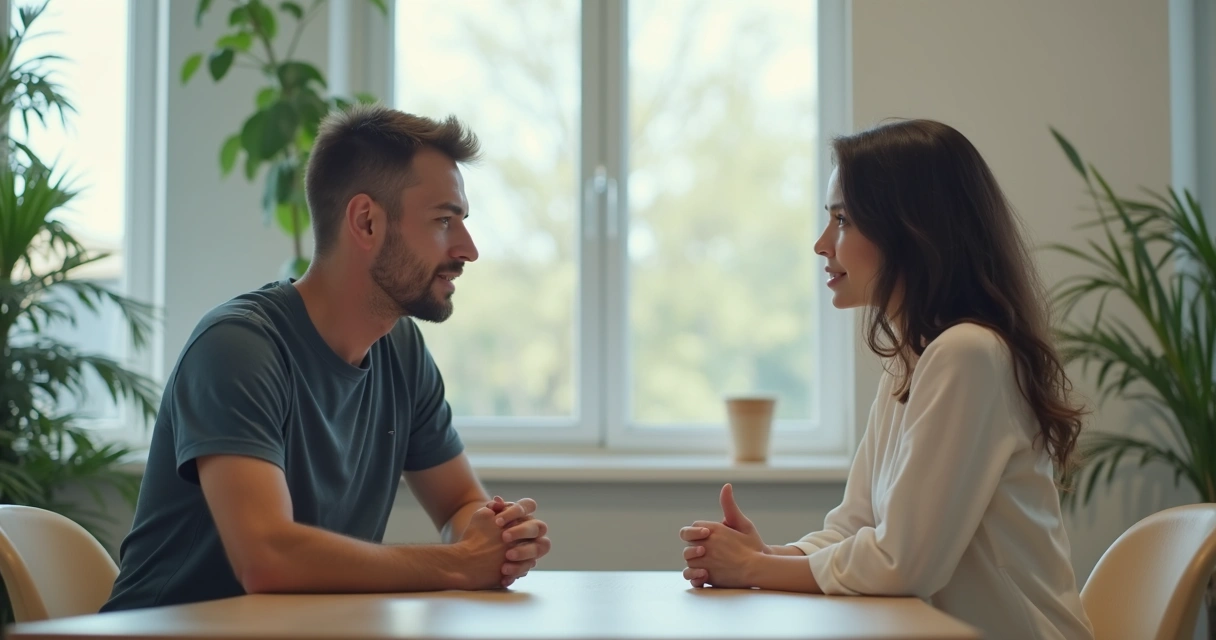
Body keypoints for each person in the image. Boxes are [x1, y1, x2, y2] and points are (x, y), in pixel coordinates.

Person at [102, 104, 550, 612]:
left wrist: (493, 534)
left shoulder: (401, 352)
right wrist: (458, 562)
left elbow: (457, 503)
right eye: (444, 221)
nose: (468, 249)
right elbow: (267, 558)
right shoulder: (237, 348)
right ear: (366, 222)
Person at [678, 119, 1094, 640]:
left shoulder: (969, 354)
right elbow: (854, 527)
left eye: (843, 220)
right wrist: (767, 554)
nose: (821, 244)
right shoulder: (913, 360)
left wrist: (753, 569)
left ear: (910, 229)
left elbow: (904, 563)